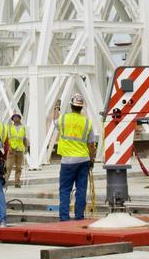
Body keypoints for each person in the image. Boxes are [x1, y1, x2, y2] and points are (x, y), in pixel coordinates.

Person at [55, 93, 96, 221]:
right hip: (83, 160)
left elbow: (54, 122)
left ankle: (64, 217)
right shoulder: (87, 123)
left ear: (71, 106)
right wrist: (92, 159)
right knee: (81, 190)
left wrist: (56, 108)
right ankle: (79, 217)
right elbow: (91, 145)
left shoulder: (63, 119)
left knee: (65, 190)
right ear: (81, 107)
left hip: (67, 161)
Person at [6, 112, 29, 188]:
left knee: (18, 168)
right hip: (12, 149)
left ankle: (17, 183)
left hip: (19, 150)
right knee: (8, 167)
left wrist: (26, 147)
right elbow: (7, 139)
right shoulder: (9, 127)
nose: (15, 118)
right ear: (12, 119)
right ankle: (5, 181)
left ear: (19, 118)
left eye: (17, 117)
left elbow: (24, 139)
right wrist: (9, 148)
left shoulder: (23, 128)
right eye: (14, 117)